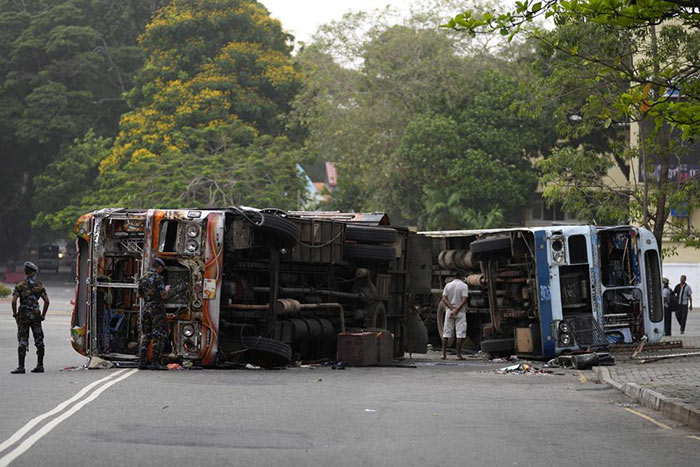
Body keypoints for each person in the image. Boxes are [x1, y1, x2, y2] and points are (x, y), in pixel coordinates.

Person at [10, 261, 49, 374]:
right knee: (39, 339)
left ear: (26, 272)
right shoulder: (39, 285)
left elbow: (13, 301)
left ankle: (21, 367)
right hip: (36, 316)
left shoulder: (20, 286)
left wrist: (15, 314)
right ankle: (40, 365)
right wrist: (43, 315)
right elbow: (47, 301)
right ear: (34, 273)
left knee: (22, 339)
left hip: (23, 316)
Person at [137, 258, 171, 370]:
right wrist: (167, 289)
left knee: (146, 335)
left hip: (146, 308)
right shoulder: (158, 278)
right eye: (162, 268)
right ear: (159, 267)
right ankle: (155, 362)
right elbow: (164, 296)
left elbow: (140, 295)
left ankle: (141, 362)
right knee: (158, 335)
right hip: (156, 309)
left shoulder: (142, 278)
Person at [441, 270, 469, 360]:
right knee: (460, 333)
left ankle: (443, 354)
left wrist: (451, 309)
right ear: (461, 276)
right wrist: (456, 310)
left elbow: (444, 299)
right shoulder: (464, 286)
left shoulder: (448, 285)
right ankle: (458, 355)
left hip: (449, 311)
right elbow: (464, 300)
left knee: (446, 333)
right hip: (460, 312)